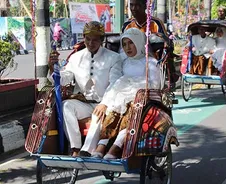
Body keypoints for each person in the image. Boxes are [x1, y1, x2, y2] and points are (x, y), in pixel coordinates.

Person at [48, 21, 123, 157]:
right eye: (88, 39)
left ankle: (87, 151)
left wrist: (104, 104)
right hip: (84, 102)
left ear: (102, 39)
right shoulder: (76, 57)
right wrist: (53, 68)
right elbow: (64, 79)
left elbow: (115, 84)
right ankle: (75, 148)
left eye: (95, 39)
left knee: (97, 115)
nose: (90, 43)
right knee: (66, 106)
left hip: (105, 104)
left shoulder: (114, 58)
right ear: (83, 37)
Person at [91, 28, 161, 159]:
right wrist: (106, 102)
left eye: (131, 43)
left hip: (141, 98)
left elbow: (155, 85)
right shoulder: (124, 61)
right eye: (124, 44)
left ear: (139, 43)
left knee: (131, 112)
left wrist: (139, 86)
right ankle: (101, 145)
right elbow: (116, 83)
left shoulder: (150, 62)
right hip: (121, 94)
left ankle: (115, 148)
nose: (127, 48)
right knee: (112, 111)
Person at [122, 0, 178, 87]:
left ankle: (170, 76)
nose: (133, 9)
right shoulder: (127, 25)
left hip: (152, 58)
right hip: (132, 58)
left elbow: (166, 41)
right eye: (131, 5)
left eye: (137, 5)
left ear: (144, 6)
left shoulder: (156, 23)